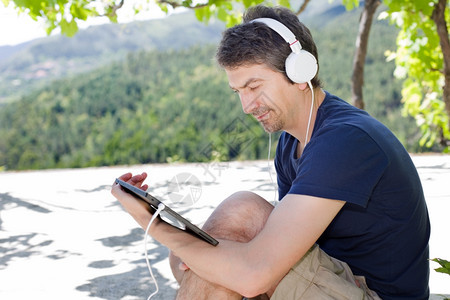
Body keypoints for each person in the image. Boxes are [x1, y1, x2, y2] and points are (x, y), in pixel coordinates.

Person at [111, 5, 430, 299]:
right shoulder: (291, 144)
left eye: (254, 86)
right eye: (238, 92)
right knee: (188, 253)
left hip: (371, 293)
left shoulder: (346, 140)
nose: (246, 106)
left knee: (241, 212)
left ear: (300, 71)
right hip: (333, 279)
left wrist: (154, 224)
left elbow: (255, 275)